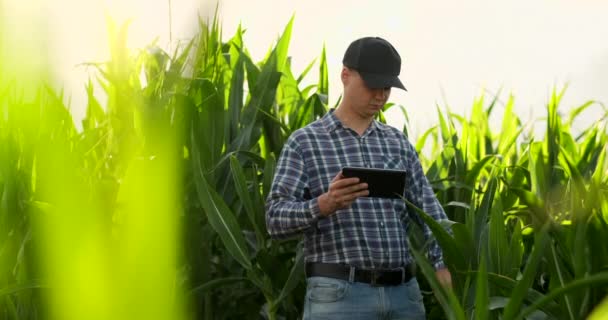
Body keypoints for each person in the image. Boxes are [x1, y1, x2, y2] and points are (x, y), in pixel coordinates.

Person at [265, 36, 452, 320]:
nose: (380, 95)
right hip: (339, 297)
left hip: (404, 297)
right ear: (345, 76)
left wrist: (442, 263)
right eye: (372, 86)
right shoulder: (305, 143)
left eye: (387, 88)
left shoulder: (397, 144)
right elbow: (274, 219)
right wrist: (323, 204)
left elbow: (430, 212)